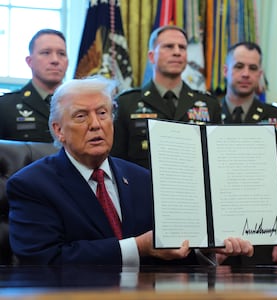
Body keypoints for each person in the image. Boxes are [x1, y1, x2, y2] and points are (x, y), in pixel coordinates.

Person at [7, 75, 253, 266]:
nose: (96, 124)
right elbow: (44, 260)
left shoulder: (142, 179)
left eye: (103, 113)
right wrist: (138, 247)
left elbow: (164, 252)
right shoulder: (31, 185)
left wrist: (205, 252)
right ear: (58, 129)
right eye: (81, 116)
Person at [221, 41, 277, 265]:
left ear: (260, 74)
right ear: (226, 71)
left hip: (266, 240)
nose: (246, 74)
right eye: (239, 66)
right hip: (218, 240)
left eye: (253, 68)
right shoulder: (209, 115)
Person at [111, 25, 221, 169]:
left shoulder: (208, 104)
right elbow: (116, 162)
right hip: (143, 188)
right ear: (151, 56)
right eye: (169, 47)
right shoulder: (126, 103)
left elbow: (215, 160)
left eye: (182, 47)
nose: (177, 52)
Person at [0, 28, 68, 142]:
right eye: (46, 53)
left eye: (61, 54)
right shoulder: (5, 107)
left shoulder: (82, 105)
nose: (55, 60)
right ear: (29, 61)